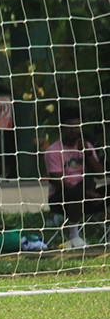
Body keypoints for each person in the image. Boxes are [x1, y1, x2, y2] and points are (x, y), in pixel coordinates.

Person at [44, 106, 106, 248]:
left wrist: (87, 153)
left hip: (88, 191)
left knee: (93, 185)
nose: (75, 131)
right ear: (62, 128)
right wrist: (86, 194)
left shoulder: (86, 146)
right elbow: (58, 180)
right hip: (62, 196)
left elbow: (100, 174)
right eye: (70, 128)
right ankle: (74, 236)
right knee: (78, 193)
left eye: (78, 127)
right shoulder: (53, 150)